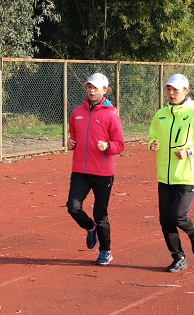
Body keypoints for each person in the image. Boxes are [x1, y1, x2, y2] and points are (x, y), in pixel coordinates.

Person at [148, 74, 194, 272]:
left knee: (177, 215)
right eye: (168, 89)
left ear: (186, 91)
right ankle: (178, 257)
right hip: (165, 175)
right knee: (164, 219)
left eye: (175, 90)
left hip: (187, 175)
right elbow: (151, 135)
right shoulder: (160, 114)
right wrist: (152, 143)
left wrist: (190, 152)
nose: (171, 93)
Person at [66, 72, 125, 265]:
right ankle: (90, 227)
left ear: (105, 90)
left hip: (103, 173)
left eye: (96, 88)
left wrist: (107, 146)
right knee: (73, 207)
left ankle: (105, 251)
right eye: (89, 87)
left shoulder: (111, 115)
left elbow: (120, 145)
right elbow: (73, 134)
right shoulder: (77, 112)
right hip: (80, 171)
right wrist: (71, 142)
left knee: (101, 214)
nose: (91, 91)